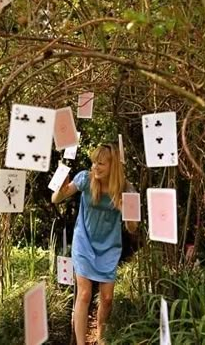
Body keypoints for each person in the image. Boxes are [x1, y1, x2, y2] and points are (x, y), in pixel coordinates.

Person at [51, 143, 138, 345]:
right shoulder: (85, 178)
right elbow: (56, 199)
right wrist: (61, 183)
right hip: (84, 242)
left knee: (107, 299)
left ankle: (101, 335)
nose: (94, 167)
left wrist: (126, 210)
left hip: (109, 246)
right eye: (93, 162)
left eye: (100, 164)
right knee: (84, 294)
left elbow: (133, 228)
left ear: (113, 166)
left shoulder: (126, 188)